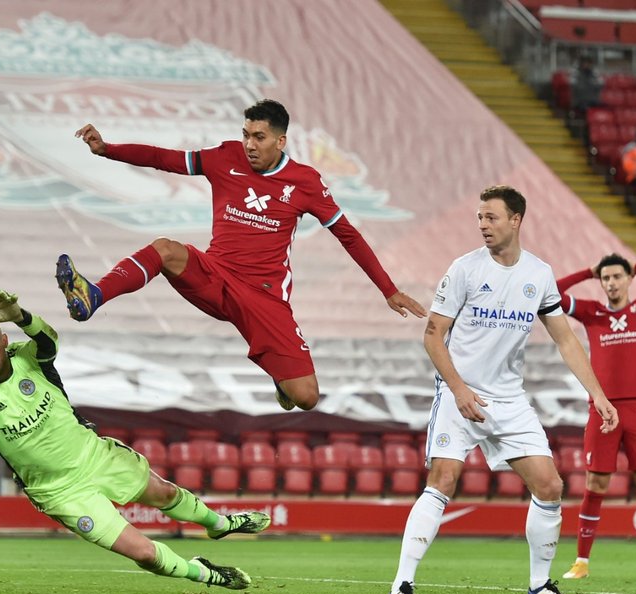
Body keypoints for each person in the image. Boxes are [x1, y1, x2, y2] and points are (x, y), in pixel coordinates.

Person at [58, 99, 426, 412]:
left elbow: (348, 235)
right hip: (215, 276)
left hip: (264, 297)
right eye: (246, 134)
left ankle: (282, 382)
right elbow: (163, 158)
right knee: (165, 249)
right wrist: (108, 149)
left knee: (307, 398)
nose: (250, 144)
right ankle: (94, 296)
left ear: (280, 141)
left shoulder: (305, 181)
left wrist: (388, 290)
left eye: (259, 137)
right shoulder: (225, 157)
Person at [0, 290, 271, 591]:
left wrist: (19, 313)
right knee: (143, 554)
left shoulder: (29, 358)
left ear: (4, 340)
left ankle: (219, 525)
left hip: (94, 454)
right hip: (60, 492)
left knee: (164, 494)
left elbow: (48, 339)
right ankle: (205, 572)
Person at [384, 185, 618, 594]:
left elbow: (565, 339)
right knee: (443, 481)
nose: (482, 225)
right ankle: (401, 586)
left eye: (491, 217)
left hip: (508, 399)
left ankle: (539, 586)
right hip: (459, 392)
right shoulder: (464, 270)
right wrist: (458, 389)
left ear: (516, 220)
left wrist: (597, 394)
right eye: (479, 218)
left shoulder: (539, 274)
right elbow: (433, 335)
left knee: (549, 485)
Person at [557, 255, 636, 581]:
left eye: (617, 276)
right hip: (602, 408)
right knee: (595, 483)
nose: (611, 283)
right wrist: (586, 272)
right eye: (606, 278)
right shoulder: (591, 312)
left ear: (628, 279)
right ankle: (581, 563)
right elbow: (553, 293)